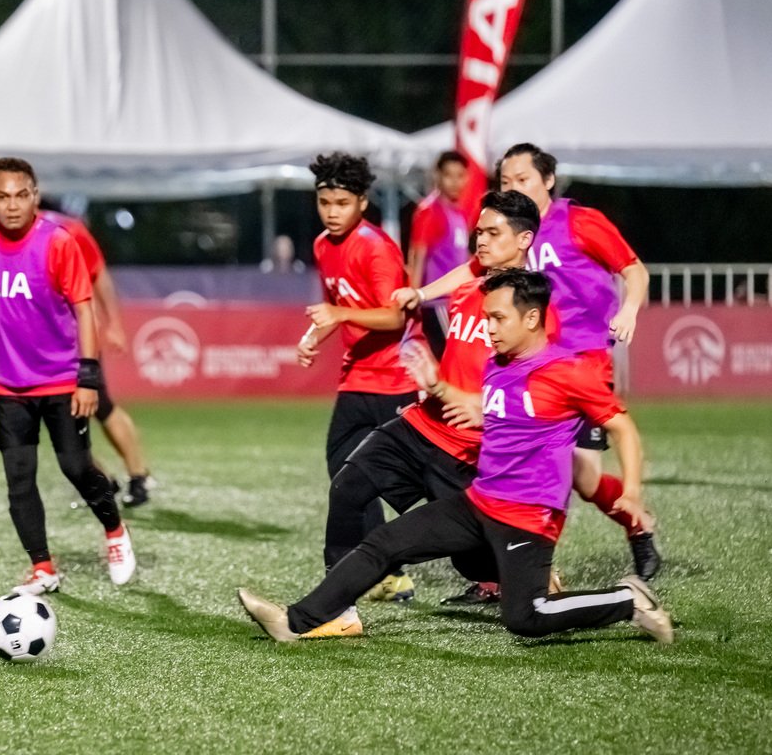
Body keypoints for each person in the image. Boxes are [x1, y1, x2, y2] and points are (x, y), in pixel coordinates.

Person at [239, 269, 672, 645]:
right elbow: (496, 411)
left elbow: (622, 427)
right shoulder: (499, 365)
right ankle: (295, 621)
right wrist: (438, 387)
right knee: (385, 543)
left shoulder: (569, 372)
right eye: (487, 318)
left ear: (532, 318)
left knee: (526, 618)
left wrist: (632, 491)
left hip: (528, 517)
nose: (489, 328)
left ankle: (627, 600)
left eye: (498, 318)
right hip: (478, 502)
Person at [421, 143, 660, 586]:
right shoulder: (507, 230)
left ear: (548, 180)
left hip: (579, 364)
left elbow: (634, 270)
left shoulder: (580, 222)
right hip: (526, 364)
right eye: (506, 180)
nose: (514, 186)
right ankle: (503, 575)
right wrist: (420, 294)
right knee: (506, 460)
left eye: (523, 179)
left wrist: (629, 309)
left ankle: (631, 527)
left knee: (580, 478)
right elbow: (471, 271)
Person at [312, 191, 542, 628]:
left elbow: (547, 385)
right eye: (478, 232)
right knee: (348, 485)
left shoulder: (537, 306)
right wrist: (418, 293)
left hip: (469, 449)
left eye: (493, 233)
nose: (480, 241)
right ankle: (336, 613)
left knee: (474, 562)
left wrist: (485, 408)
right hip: (422, 424)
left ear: (524, 239)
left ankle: (531, 577)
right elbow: (467, 270)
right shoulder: (474, 278)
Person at [0, 157, 136, 595]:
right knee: (19, 477)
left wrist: (87, 376)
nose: (12, 205)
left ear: (35, 196)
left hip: (62, 379)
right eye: (2, 197)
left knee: (76, 467)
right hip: (8, 384)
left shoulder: (58, 242)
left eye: (20, 195)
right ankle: (43, 567)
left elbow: (84, 309)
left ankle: (115, 531)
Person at [0, 209, 157, 508]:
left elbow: (98, 273)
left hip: (70, 343)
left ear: (32, 196)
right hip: (27, 354)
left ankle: (139, 476)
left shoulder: (65, 231)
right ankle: (102, 481)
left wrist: (114, 323)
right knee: (59, 423)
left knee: (101, 406)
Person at [296, 151, 417, 602]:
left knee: (425, 484)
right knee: (346, 474)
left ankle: (498, 561)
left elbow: (394, 317)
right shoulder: (322, 246)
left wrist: (338, 315)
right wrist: (313, 336)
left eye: (342, 203)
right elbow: (337, 309)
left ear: (363, 202)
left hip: (398, 378)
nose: (331, 212)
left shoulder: (375, 247)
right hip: (358, 378)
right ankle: (388, 573)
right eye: (324, 202)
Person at [406, 151, 471, 360]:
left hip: (457, 302)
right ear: (438, 176)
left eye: (460, 175)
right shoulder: (430, 211)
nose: (455, 182)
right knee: (451, 361)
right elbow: (417, 256)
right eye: (449, 175)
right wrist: (413, 299)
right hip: (437, 304)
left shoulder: (459, 212)